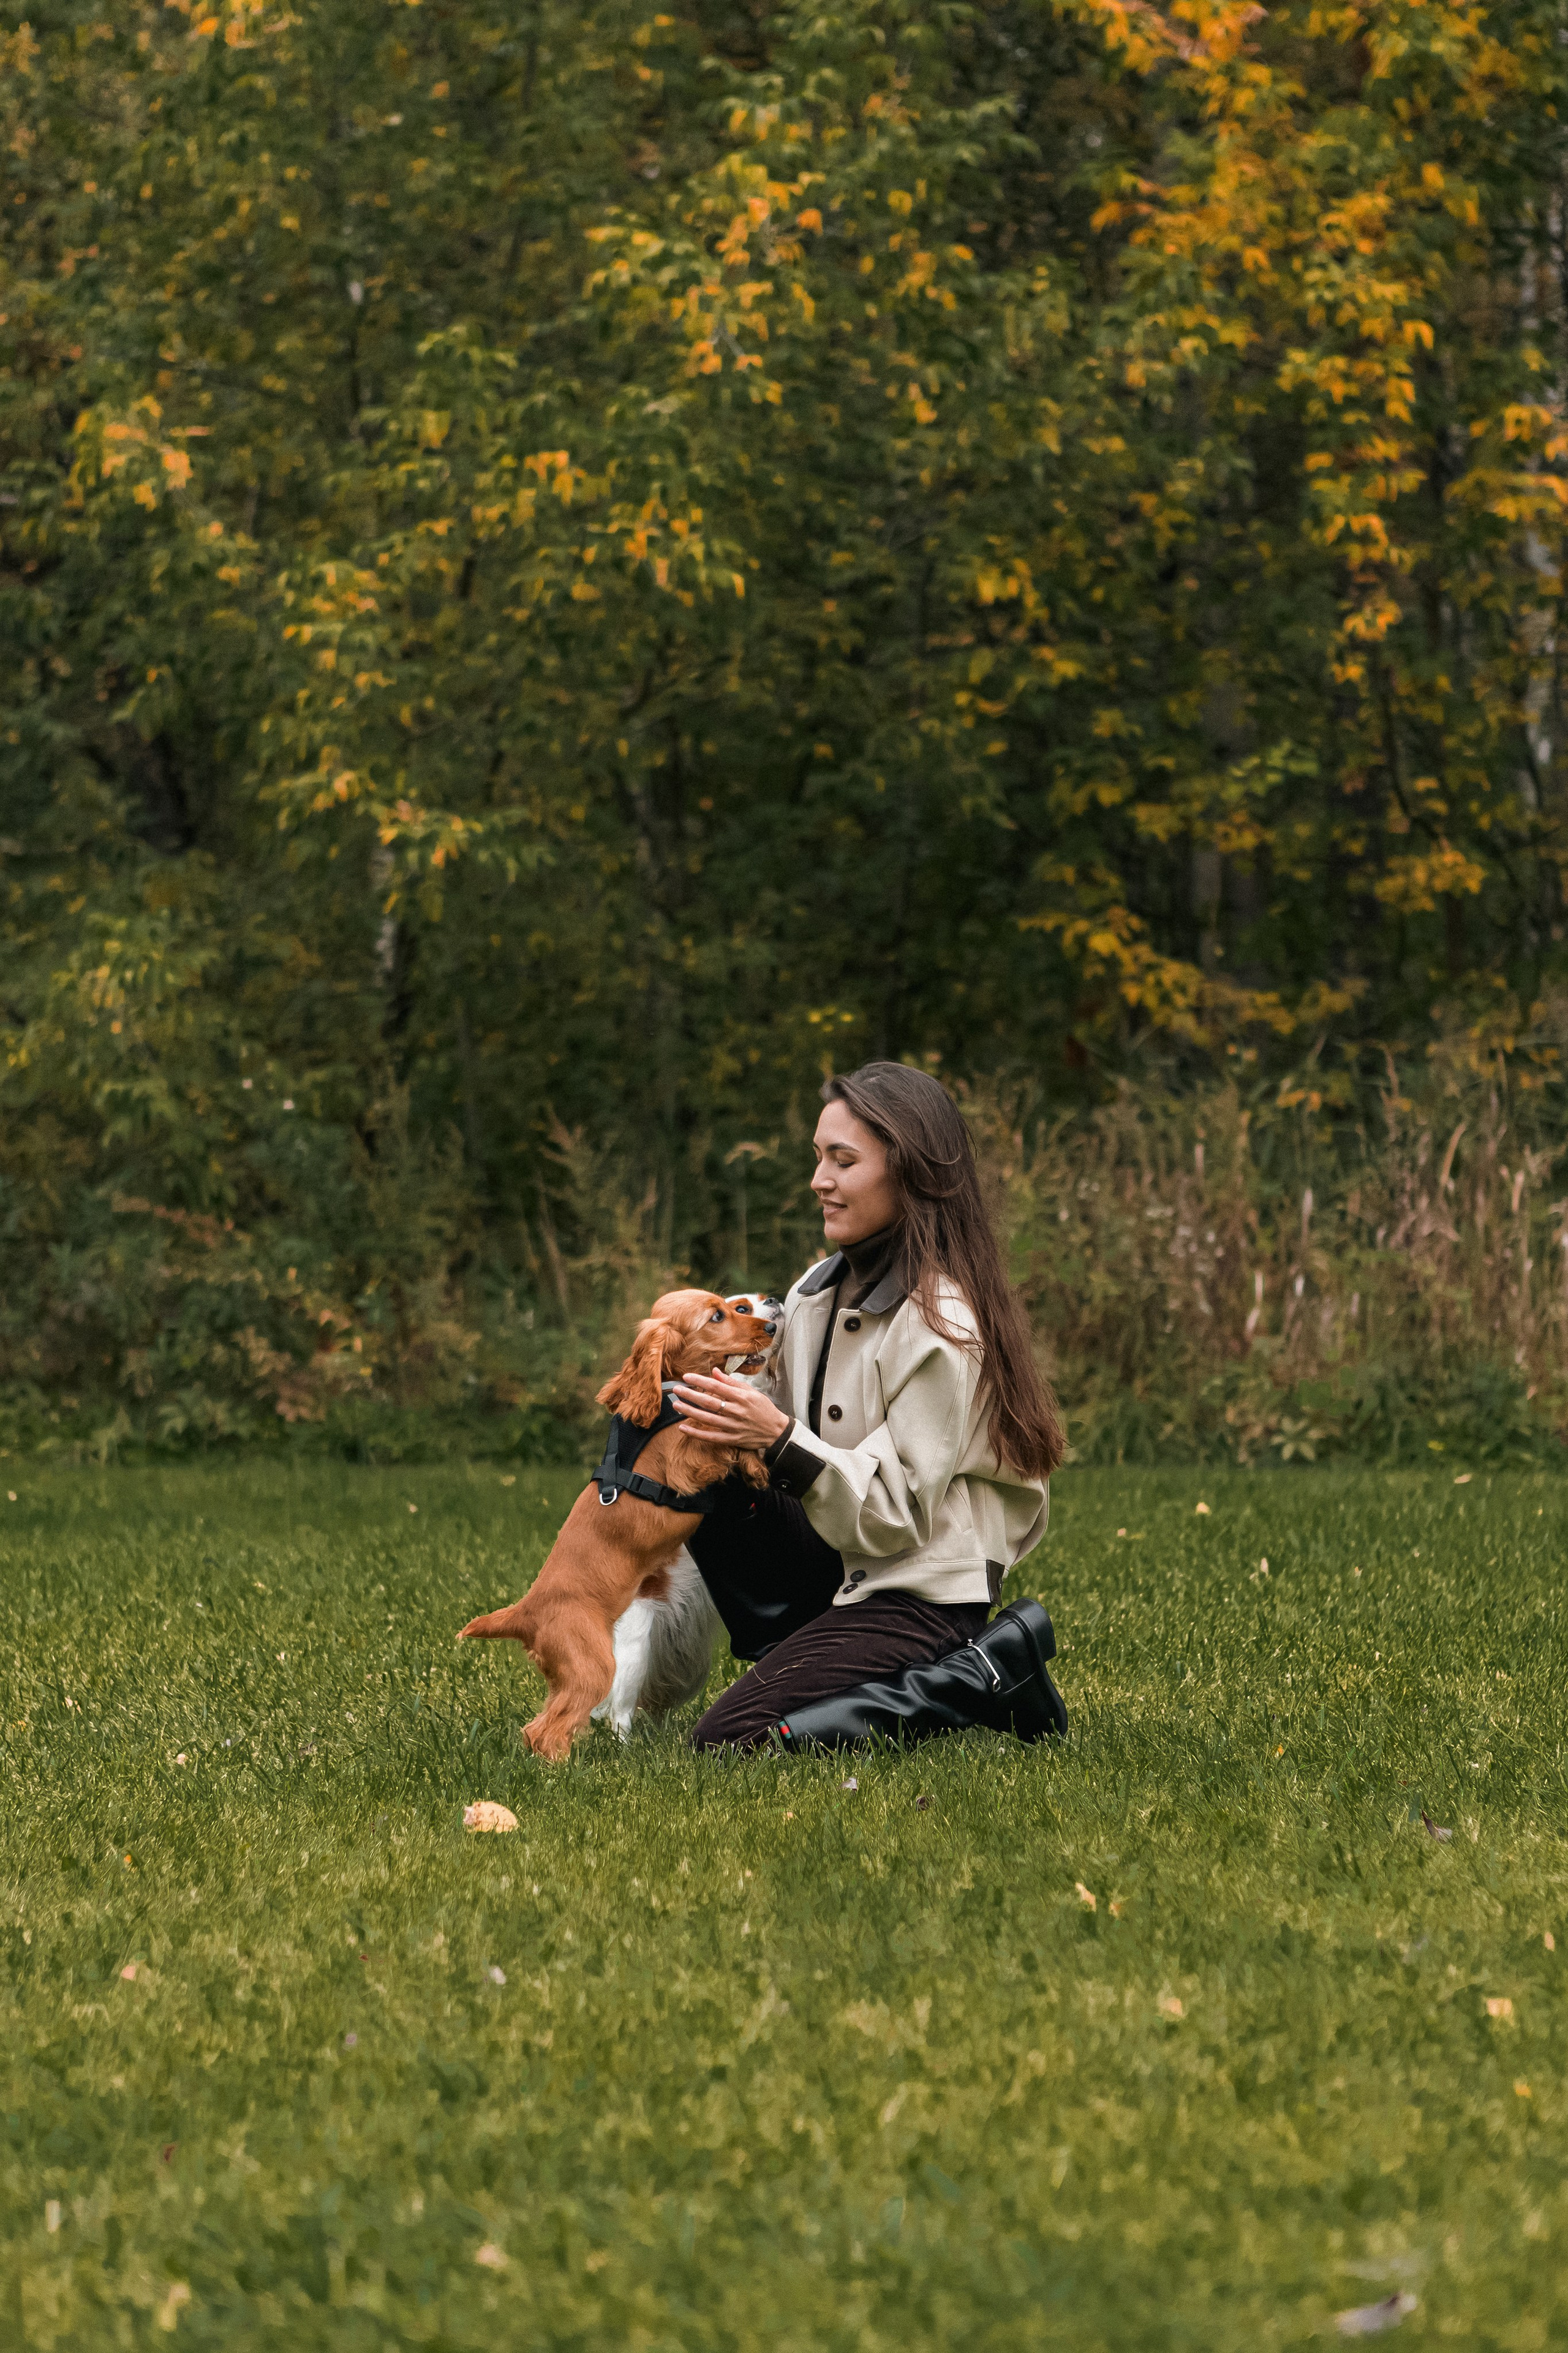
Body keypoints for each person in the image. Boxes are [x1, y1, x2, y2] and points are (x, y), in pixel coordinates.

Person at [673, 1061, 1068, 1751]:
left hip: (923, 1590)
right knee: (693, 1455)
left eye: (842, 1160)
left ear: (910, 1171)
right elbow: (771, 1432)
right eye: (818, 1157)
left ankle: (975, 1671)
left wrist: (774, 1436)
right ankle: (802, 1647)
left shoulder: (941, 1321)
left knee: (734, 1738)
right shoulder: (815, 1292)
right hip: (840, 1561)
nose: (818, 1180)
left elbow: (895, 1518)